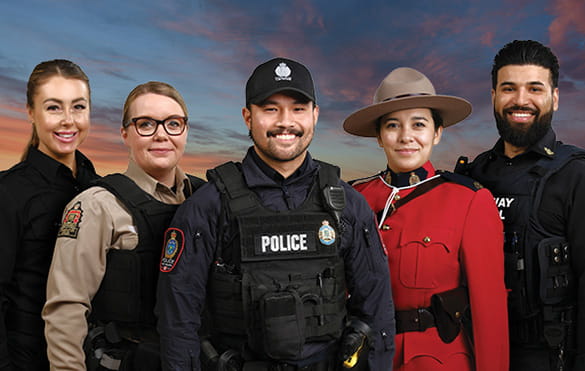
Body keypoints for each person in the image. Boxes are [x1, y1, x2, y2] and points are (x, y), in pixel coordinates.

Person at [156, 57, 395, 370]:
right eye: (270, 109)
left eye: (298, 108)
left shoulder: (346, 204)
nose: (286, 121)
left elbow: (376, 312)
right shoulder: (209, 206)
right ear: (247, 117)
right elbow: (178, 320)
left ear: (315, 115)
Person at [343, 67, 509, 370]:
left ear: (437, 133)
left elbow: (490, 313)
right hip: (363, 358)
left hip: (434, 360)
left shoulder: (469, 201)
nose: (406, 136)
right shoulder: (355, 198)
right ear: (379, 136)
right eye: (393, 125)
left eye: (418, 124)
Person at [42, 81, 205, 370]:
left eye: (173, 124)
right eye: (146, 124)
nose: (161, 135)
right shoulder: (97, 205)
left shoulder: (206, 199)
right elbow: (66, 309)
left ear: (186, 131)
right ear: (125, 134)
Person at [458, 40, 585, 371]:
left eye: (534, 88)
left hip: (549, 356)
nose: (521, 100)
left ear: (555, 98)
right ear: (493, 96)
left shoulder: (577, 175)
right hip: (478, 351)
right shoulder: (471, 175)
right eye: (509, 88)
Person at [0, 59, 98, 370]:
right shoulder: (9, 192)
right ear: (31, 112)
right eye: (54, 107)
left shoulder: (97, 188)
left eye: (78, 107)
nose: (68, 121)